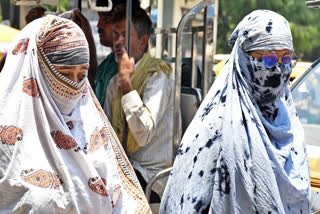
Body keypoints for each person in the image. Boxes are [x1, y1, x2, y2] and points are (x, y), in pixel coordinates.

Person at [160, 10, 309, 213]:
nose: (278, 70)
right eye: (268, 59)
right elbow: (185, 202)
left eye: (285, 59)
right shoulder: (217, 124)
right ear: (244, 58)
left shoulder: (288, 121)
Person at [0, 15, 151, 213]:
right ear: (37, 72)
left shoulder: (91, 127)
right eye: (63, 74)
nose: (72, 87)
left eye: (81, 76)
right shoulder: (7, 137)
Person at [104, 7, 177, 202]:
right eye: (116, 35)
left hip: (151, 177)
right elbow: (108, 132)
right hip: (124, 167)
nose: (118, 41)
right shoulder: (114, 81)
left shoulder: (158, 74)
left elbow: (143, 134)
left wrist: (128, 86)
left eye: (125, 35)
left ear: (143, 41)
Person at [93, 0, 140, 107]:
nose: (98, 25)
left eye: (106, 19)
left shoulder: (128, 67)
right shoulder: (109, 63)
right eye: (99, 18)